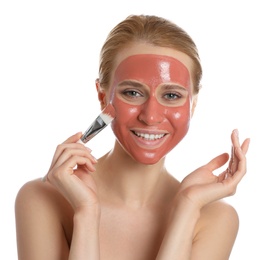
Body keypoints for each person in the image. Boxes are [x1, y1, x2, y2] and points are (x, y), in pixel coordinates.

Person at [15, 14, 250, 260]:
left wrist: (187, 208)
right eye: (133, 92)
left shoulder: (215, 218)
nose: (151, 116)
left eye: (171, 96)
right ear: (103, 97)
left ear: (193, 104)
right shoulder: (41, 200)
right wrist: (85, 213)